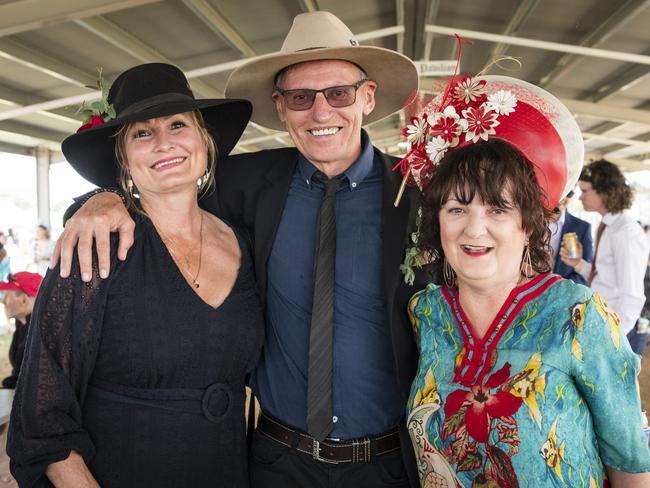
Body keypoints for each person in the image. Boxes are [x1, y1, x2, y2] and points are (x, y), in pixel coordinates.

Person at [51, 11, 424, 488]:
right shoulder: (243, 184)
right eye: (300, 97)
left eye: (338, 93)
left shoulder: (420, 196)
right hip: (272, 464)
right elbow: (163, 182)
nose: (321, 112)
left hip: (389, 466)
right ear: (281, 105)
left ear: (367, 98)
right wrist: (98, 200)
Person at [7, 63, 263, 487]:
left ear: (204, 140)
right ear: (123, 156)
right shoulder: (94, 247)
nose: (164, 143)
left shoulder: (244, 242)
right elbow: (42, 414)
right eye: (142, 133)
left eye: (178, 125)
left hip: (227, 470)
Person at [403, 76, 650, 486]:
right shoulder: (426, 313)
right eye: (457, 208)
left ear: (528, 225)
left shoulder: (577, 316)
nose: (474, 230)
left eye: (498, 209)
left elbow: (629, 464)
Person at [560, 160, 649, 355]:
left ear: (604, 191)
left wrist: (615, 339)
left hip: (615, 330)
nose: (580, 197)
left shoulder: (625, 232)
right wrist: (578, 264)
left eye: (585, 191)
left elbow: (632, 294)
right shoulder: (609, 227)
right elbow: (605, 277)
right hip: (600, 321)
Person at [0, 272, 42, 389]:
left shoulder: (40, 335)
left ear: (23, 300)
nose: (3, 300)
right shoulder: (22, 326)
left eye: (7, 295)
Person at [548, 190, 593, 284]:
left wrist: (564, 289)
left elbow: (585, 272)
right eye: (561, 192)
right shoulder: (531, 221)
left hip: (563, 293)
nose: (563, 198)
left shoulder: (582, 227)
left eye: (569, 193)